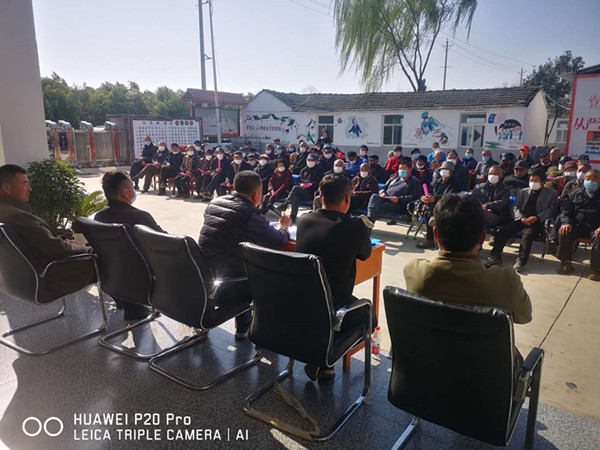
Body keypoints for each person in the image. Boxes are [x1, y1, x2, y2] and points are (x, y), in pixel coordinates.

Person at [404, 194, 532, 371]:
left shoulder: (414, 271)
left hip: (426, 369)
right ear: (482, 238)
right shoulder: (504, 280)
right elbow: (524, 316)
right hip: (485, 377)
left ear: (436, 235)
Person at [295, 173, 373, 381]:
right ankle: (323, 358)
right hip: (335, 307)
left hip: (300, 303)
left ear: (320, 196)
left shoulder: (304, 220)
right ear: (347, 198)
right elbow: (365, 254)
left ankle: (322, 361)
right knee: (369, 317)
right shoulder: (355, 226)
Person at [198, 171, 291, 339]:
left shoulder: (214, 203)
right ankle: (250, 328)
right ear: (256, 194)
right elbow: (277, 240)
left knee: (237, 261)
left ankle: (243, 325)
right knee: (265, 275)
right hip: (229, 286)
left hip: (203, 277)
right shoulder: (249, 214)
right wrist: (284, 227)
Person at [0, 164, 96, 295]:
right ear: (6, 188)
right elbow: (54, 247)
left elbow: (42, 242)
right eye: (25, 184)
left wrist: (65, 243)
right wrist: (84, 248)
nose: (30, 189)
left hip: (13, 281)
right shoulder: (18, 215)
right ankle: (125, 303)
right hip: (44, 278)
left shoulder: (6, 211)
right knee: (108, 255)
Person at [94, 170, 165, 320]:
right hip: (139, 278)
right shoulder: (140, 216)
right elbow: (166, 241)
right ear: (125, 193)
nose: (134, 191)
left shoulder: (99, 217)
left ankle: (123, 299)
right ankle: (138, 306)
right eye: (132, 187)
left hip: (109, 277)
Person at [488, 169, 558, 272]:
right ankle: (495, 256)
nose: (533, 182)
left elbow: (551, 210)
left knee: (527, 236)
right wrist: (521, 218)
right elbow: (516, 206)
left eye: (536, 180)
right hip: (521, 219)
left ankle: (520, 261)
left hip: (536, 221)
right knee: (503, 230)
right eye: (531, 180)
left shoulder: (551, 194)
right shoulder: (523, 192)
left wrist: (537, 217)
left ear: (543, 182)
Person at [556, 170, 600, 281]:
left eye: (595, 178)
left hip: (595, 228)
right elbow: (566, 211)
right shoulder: (575, 194)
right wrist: (567, 223)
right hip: (578, 226)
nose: (591, 181)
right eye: (588, 178)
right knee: (564, 231)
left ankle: (594, 268)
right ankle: (566, 263)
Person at [417, 161, 462, 249]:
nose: (442, 171)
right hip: (433, 206)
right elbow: (428, 192)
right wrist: (424, 198)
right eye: (441, 169)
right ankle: (429, 239)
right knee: (426, 209)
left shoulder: (456, 183)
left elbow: (452, 197)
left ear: (451, 172)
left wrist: (435, 198)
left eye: (445, 170)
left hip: (448, 206)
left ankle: (444, 241)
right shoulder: (436, 182)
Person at [367, 159, 420, 224]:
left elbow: (414, 196)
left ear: (410, 169)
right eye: (400, 168)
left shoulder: (414, 182)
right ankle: (370, 219)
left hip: (398, 204)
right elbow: (384, 187)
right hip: (385, 198)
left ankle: (369, 221)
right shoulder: (394, 178)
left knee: (377, 207)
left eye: (404, 168)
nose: (401, 170)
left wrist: (399, 199)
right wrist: (382, 192)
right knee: (374, 196)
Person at [280, 154, 324, 222]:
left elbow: (318, 182)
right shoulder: (304, 170)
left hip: (310, 192)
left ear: (316, 161)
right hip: (301, 191)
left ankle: (286, 203)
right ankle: (293, 216)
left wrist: (307, 185)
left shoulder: (319, 170)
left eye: (312, 160)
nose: (310, 162)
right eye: (309, 160)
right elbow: (298, 180)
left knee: (295, 188)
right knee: (296, 197)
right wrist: (301, 184)